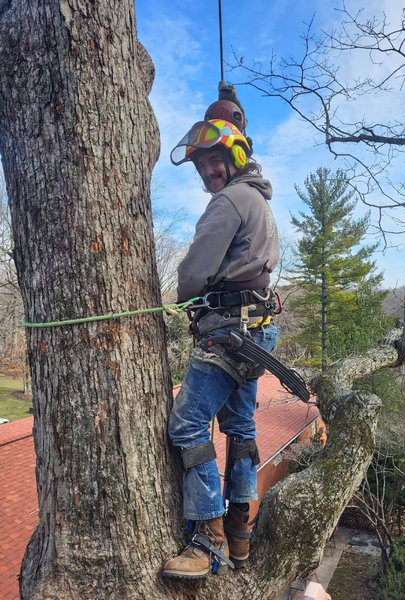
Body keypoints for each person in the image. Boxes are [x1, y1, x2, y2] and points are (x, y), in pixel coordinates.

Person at [162, 117, 279, 579]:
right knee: (239, 426)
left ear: (234, 158)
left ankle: (208, 541)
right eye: (202, 165)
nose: (209, 171)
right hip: (256, 332)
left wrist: (180, 302)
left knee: (187, 425)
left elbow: (192, 275)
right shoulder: (258, 199)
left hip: (230, 333)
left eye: (215, 160)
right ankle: (239, 534)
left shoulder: (229, 200)